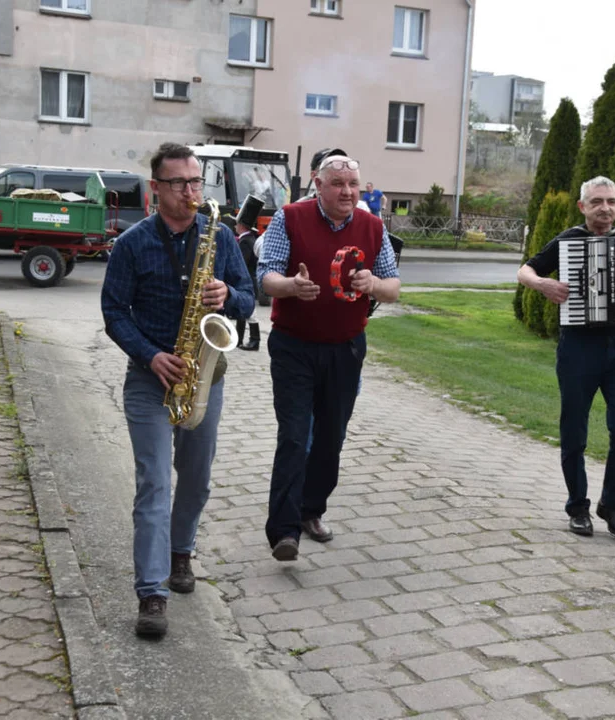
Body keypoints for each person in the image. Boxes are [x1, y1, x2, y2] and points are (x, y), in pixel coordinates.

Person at [101, 142, 254, 638]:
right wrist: (150, 354)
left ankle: (180, 552)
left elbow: (249, 300)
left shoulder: (220, 236)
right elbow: (113, 313)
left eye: (196, 182)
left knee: (196, 479)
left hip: (204, 377)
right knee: (154, 485)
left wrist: (229, 295)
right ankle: (151, 592)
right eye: (180, 184)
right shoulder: (131, 244)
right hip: (150, 380)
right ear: (156, 189)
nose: (191, 192)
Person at [257, 154, 401, 561]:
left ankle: (311, 510)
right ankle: (284, 531)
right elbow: (264, 274)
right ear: (318, 186)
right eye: (338, 184)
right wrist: (290, 286)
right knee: (294, 436)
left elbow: (393, 287)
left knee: (330, 437)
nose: (348, 192)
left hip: (346, 347)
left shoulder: (372, 226)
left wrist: (373, 282)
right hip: (294, 346)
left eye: (354, 184)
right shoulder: (290, 217)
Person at [516, 176, 615, 538]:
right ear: (583, 207)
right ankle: (577, 507)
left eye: (611, 201)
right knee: (574, 429)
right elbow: (526, 270)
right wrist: (542, 284)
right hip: (578, 347)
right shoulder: (569, 240)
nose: (605, 208)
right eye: (597, 201)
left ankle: (611, 505)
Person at [233, 194, 264, 351]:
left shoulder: (246, 241)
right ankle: (239, 339)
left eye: (237, 223)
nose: (235, 226)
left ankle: (254, 340)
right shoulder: (249, 239)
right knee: (244, 311)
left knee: (250, 312)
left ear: (242, 226)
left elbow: (242, 263)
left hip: (247, 280)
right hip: (249, 279)